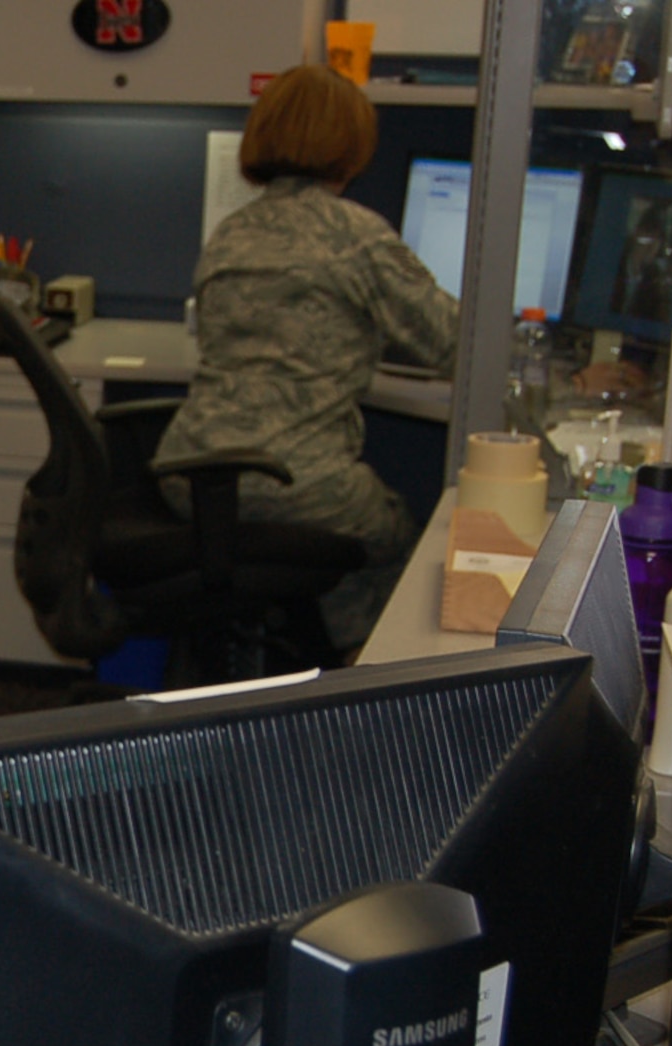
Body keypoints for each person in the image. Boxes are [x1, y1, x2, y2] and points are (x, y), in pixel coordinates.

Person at [154, 62, 459, 652]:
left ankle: (291, 674)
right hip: (300, 482)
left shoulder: (230, 233)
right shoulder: (357, 235)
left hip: (193, 477)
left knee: (323, 544)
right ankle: (371, 687)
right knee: (402, 538)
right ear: (350, 146)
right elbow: (455, 342)